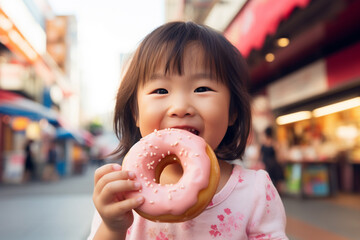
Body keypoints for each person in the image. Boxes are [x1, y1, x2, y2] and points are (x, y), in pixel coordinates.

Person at [88, 21, 288, 240]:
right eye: (160, 90)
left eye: (202, 88)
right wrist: (112, 227)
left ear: (233, 111)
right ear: (135, 112)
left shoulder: (254, 191)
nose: (181, 107)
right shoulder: (124, 192)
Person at [260, 127, 285, 192]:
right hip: (273, 165)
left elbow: (259, 156)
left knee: (267, 182)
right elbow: (278, 156)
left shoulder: (263, 144)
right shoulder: (274, 144)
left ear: (266, 134)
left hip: (266, 166)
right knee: (275, 183)